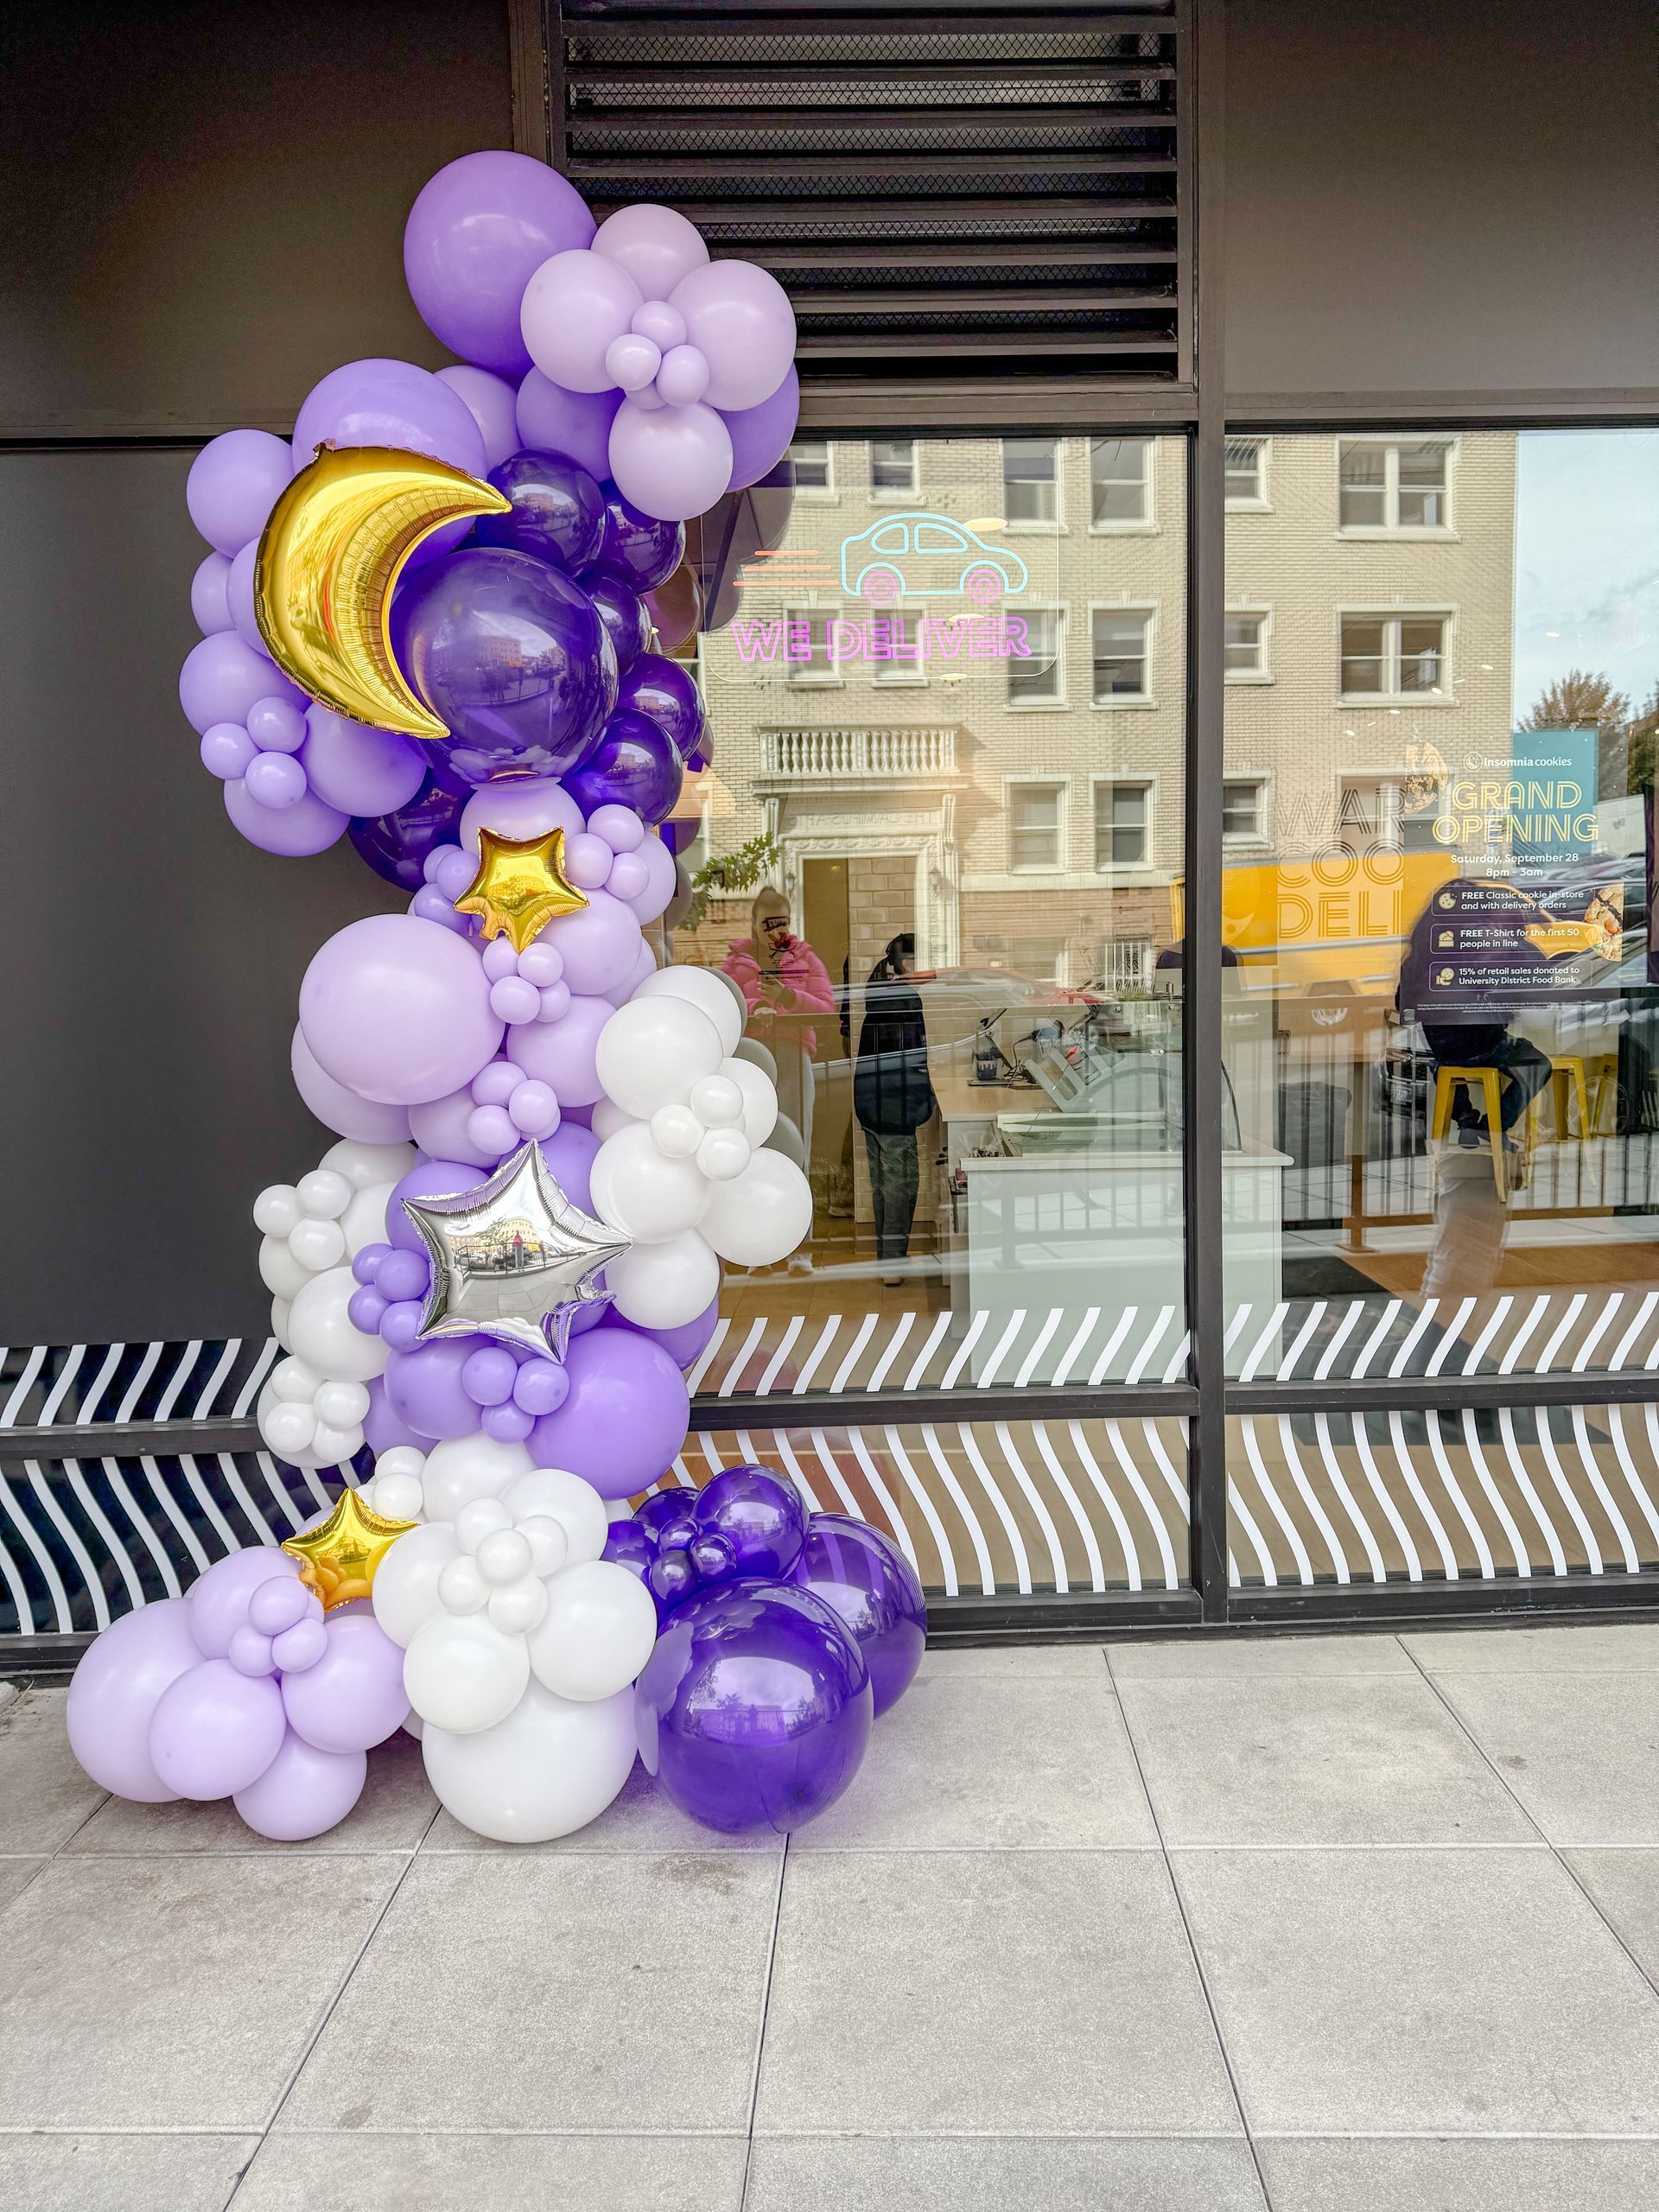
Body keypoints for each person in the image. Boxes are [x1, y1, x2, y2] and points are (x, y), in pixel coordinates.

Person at [1396, 877, 1551, 1182]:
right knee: (1538, 1064)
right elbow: (1526, 989)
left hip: (1440, 1044)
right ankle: (1492, 1127)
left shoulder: (1423, 945)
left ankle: (1466, 1118)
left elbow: (1405, 1007)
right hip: (1483, 1041)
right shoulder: (1481, 942)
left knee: (1444, 1065)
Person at [721, 887, 834, 1167]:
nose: (775, 931)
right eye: (768, 923)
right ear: (754, 923)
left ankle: (799, 1201)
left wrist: (788, 997)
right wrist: (755, 1007)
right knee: (751, 1133)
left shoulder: (805, 959)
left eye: (781, 922)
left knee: (797, 1134)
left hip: (792, 1057)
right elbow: (720, 1002)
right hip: (751, 1059)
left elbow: (826, 1009)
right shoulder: (736, 963)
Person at [855, 933, 936, 1284]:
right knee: (902, 1186)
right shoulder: (902, 998)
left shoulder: (880, 991)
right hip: (893, 1107)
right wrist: (924, 1100)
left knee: (884, 1187)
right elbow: (905, 1062)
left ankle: (887, 1262)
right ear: (904, 962)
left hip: (872, 1103)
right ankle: (893, 1266)